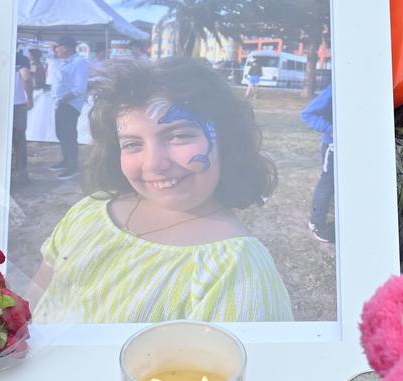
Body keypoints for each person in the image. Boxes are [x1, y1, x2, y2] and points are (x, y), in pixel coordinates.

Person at [31, 58, 294, 324]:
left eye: (178, 136)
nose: (154, 164)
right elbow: (37, 298)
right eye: (133, 144)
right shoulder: (89, 211)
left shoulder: (238, 273)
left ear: (226, 140)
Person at [50, 35, 88, 179]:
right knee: (61, 134)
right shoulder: (65, 62)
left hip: (69, 104)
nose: (55, 50)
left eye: (57, 46)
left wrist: (63, 99)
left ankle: (73, 166)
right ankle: (66, 161)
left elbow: (80, 88)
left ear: (66, 48)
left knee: (68, 135)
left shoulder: (79, 62)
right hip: (60, 103)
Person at [301, 85, 335, 243]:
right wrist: (332, 130)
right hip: (333, 147)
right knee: (327, 184)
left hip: (353, 148)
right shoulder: (335, 87)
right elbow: (307, 114)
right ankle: (316, 224)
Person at [12, 52, 34, 186]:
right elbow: (26, 78)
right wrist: (30, 98)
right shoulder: (21, 58)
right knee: (19, 142)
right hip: (18, 105)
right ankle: (22, 175)